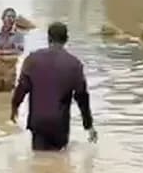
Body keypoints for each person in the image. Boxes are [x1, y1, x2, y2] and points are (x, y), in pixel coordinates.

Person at [10, 22, 97, 151]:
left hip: (37, 122)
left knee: (39, 160)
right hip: (59, 124)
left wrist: (14, 107)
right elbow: (82, 97)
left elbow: (22, 88)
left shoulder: (32, 59)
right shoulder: (74, 64)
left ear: (48, 38)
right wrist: (88, 125)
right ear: (66, 39)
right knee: (60, 161)